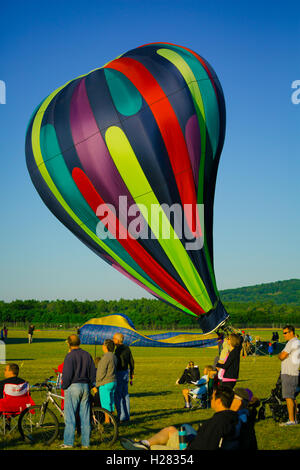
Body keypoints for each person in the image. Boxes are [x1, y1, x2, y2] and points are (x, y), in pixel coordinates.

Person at [120, 385, 239, 450]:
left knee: (154, 448)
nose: (211, 400)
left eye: (212, 398)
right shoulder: (232, 417)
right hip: (195, 441)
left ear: (218, 401)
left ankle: (143, 446)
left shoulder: (217, 422)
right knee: (172, 429)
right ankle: (143, 443)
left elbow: (205, 445)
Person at [61, 334, 96, 448]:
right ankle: (86, 443)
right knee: (85, 416)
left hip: (73, 386)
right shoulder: (87, 354)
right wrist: (91, 385)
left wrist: (64, 386)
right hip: (85, 386)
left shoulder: (70, 356)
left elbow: (67, 374)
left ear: (68, 343)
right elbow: (92, 372)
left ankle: (68, 442)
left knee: (70, 416)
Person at [278, 325, 300, 426]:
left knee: (288, 397)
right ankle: (294, 419)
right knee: (292, 397)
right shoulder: (297, 341)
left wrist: (279, 354)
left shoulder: (291, 342)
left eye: (286, 333)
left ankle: (291, 420)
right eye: (283, 333)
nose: (284, 335)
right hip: (294, 372)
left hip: (289, 373)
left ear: (291, 332)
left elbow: (282, 356)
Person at [92, 339, 117, 422]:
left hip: (105, 383)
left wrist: (97, 382)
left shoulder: (105, 357)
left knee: (105, 404)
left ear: (106, 347)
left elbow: (101, 372)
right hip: (113, 381)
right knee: (111, 402)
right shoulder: (114, 356)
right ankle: (112, 419)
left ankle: (107, 421)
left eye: (103, 345)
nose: (102, 346)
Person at [113, 333, 134, 423]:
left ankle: (121, 417)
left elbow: (116, 363)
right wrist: (132, 373)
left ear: (117, 340)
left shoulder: (118, 350)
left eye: (114, 339)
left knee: (118, 395)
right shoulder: (127, 348)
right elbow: (131, 361)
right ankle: (127, 416)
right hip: (126, 372)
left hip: (119, 373)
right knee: (126, 395)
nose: (113, 340)